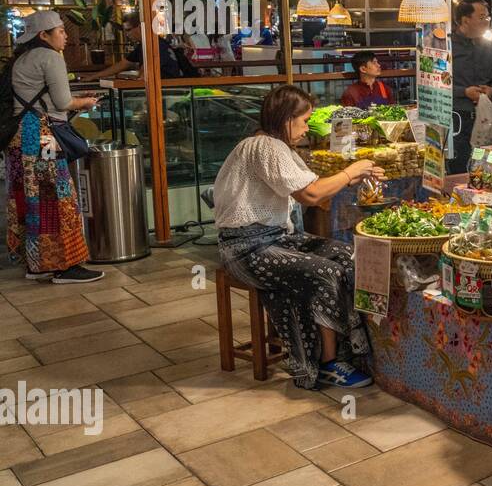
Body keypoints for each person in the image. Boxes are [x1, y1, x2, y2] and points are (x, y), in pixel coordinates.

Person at [213, 85, 384, 389]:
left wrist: (357, 174)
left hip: (277, 239)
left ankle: (349, 349)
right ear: (285, 119)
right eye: (304, 121)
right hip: (246, 248)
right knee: (325, 271)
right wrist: (350, 172)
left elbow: (314, 187)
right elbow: (311, 193)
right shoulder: (264, 147)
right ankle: (328, 363)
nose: (306, 128)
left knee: (347, 254)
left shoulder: (278, 148)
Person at [5, 10, 104, 284]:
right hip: (42, 137)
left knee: (31, 200)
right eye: (60, 30)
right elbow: (62, 103)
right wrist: (85, 102)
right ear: (43, 35)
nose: (65, 35)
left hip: (20, 136)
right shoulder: (49, 57)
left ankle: (38, 263)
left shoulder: (21, 58)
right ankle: (65, 265)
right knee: (58, 200)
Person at [449, 0, 492, 174]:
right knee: (460, 168)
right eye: (482, 17)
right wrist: (463, 92)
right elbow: (436, 83)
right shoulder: (447, 46)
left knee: (488, 168)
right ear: (465, 20)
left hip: (486, 115)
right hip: (458, 116)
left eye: (488, 17)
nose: (487, 21)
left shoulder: (490, 45)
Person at [93, 25, 200, 80]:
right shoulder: (144, 45)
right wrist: (94, 76)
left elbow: (144, 75)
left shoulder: (155, 44)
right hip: (164, 91)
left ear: (140, 27)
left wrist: (134, 77)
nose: (127, 34)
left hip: (168, 91)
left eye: (129, 29)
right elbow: (122, 64)